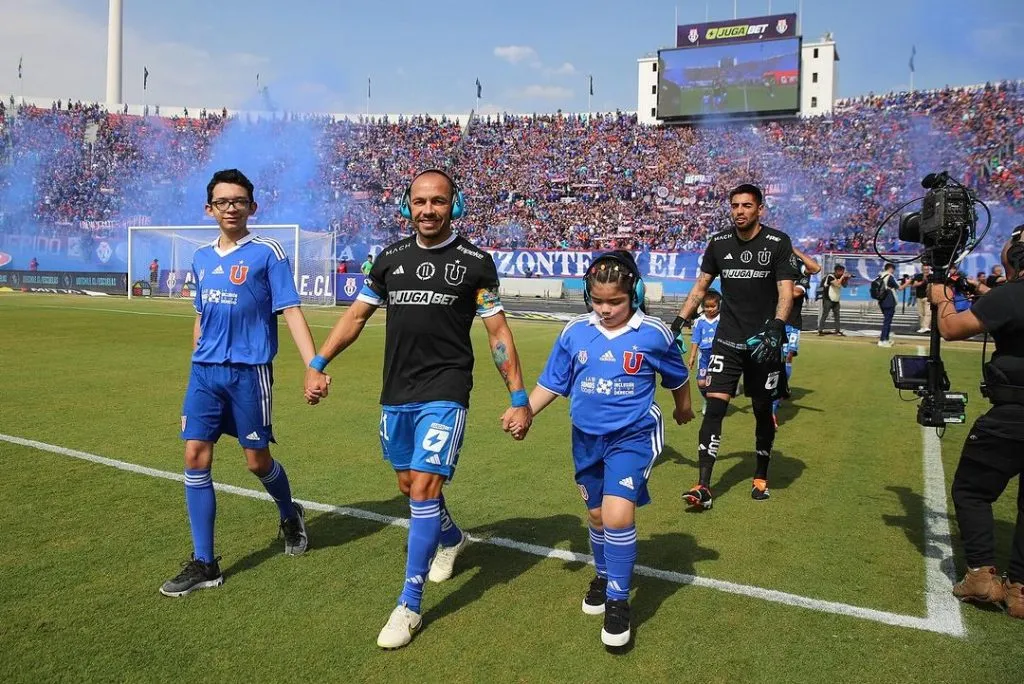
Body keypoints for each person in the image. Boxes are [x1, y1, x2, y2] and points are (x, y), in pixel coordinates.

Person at [303, 169, 532, 649]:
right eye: (420, 201)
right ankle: (452, 539)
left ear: (456, 205)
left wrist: (518, 396)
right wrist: (318, 361)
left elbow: (497, 333)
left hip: (447, 388)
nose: (429, 210)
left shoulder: (476, 263)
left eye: (439, 201)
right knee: (408, 485)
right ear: (407, 206)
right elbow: (357, 316)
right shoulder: (388, 260)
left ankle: (408, 604)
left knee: (426, 488)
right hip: (397, 391)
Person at [513, 251, 694, 647]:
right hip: (586, 439)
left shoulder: (654, 333)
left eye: (616, 301)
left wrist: (683, 406)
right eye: (598, 301)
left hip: (632, 436)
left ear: (635, 295)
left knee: (615, 516)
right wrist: (526, 411)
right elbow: (554, 382)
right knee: (595, 516)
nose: (606, 309)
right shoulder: (575, 332)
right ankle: (603, 572)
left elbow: (677, 376)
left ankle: (618, 602)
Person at [160, 169, 318, 598]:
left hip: (250, 374)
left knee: (256, 462)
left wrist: (314, 364)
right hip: (205, 374)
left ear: (253, 206)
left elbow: (291, 311)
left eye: (239, 201)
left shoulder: (269, 253)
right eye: (223, 201)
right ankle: (205, 562)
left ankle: (290, 513)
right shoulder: (201, 258)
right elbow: (201, 317)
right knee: (195, 455)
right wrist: (194, 363)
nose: (231, 207)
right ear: (209, 209)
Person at [670, 183, 797, 509]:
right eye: (735, 206)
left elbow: (786, 292)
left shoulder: (778, 243)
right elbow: (701, 287)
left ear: (760, 209)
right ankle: (703, 486)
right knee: (714, 409)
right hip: (726, 342)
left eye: (747, 206)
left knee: (760, 412)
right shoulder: (719, 243)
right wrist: (679, 321)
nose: (740, 211)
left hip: (763, 346)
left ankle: (760, 474)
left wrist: (778, 327)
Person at [928, 225, 1024, 620]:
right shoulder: (1007, 295)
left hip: (1013, 415)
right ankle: (1019, 590)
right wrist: (976, 290)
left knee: (971, 489)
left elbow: (951, 329)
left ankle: (982, 576)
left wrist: (942, 299)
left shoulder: (1014, 294)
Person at [775, 247, 820, 424]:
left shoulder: (801, 273)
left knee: (787, 358)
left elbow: (795, 292)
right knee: (770, 361)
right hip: (774, 321)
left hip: (792, 323)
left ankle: (778, 397)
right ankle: (776, 391)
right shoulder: (775, 269)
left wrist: (794, 250)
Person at [687, 290, 721, 415]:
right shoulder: (699, 321)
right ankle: (707, 400)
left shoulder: (722, 320)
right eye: (707, 306)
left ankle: (716, 404)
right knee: (701, 382)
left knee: (715, 382)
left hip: (718, 355)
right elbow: (695, 340)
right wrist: (692, 357)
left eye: (713, 306)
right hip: (704, 356)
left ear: (718, 306)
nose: (710, 309)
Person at [876, 264, 911, 347]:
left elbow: (891, 285)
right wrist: (908, 282)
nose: (894, 271)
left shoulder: (880, 275)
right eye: (893, 269)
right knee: (887, 322)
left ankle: (886, 339)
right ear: (890, 269)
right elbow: (900, 288)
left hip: (881, 300)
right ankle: (882, 340)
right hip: (889, 301)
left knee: (887, 321)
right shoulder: (889, 276)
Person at [817, 263, 850, 335]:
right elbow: (837, 284)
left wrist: (846, 279)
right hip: (827, 299)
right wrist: (842, 277)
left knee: (837, 315)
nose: (842, 273)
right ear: (837, 271)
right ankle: (820, 330)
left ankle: (837, 330)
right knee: (825, 314)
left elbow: (844, 286)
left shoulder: (840, 278)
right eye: (841, 272)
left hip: (836, 299)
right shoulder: (830, 276)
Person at [913, 265, 932, 333]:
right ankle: (922, 327)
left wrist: (926, 280)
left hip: (927, 297)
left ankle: (926, 327)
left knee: (928, 313)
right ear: (922, 269)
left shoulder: (931, 276)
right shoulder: (918, 276)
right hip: (919, 297)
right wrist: (922, 282)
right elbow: (914, 285)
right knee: (920, 313)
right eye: (924, 269)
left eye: (927, 269)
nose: (926, 271)